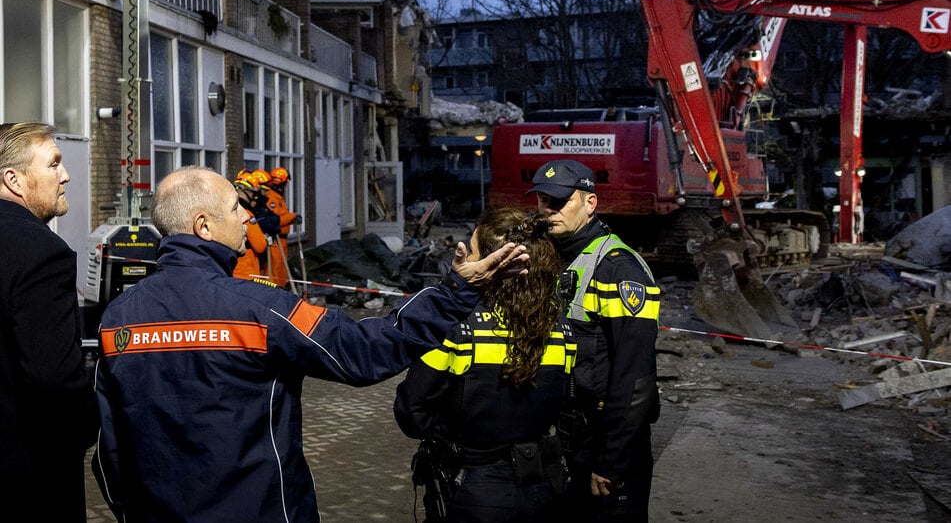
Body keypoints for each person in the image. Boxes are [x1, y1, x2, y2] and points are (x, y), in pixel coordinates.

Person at [93, 166, 529, 523]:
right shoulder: (262, 308)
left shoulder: (117, 319)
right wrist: (453, 294)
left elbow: (108, 448)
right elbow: (364, 351)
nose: (247, 217)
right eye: (234, 209)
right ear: (203, 226)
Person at [394, 206, 576, 523]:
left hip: (476, 489)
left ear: (496, 264)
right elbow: (567, 403)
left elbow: (411, 412)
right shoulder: (562, 331)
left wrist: (451, 434)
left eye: (474, 252)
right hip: (545, 486)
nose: (468, 262)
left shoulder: (458, 331)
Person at [528, 159, 661, 522]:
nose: (548, 210)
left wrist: (611, 460)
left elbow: (635, 377)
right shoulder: (554, 258)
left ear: (590, 203)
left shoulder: (619, 268)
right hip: (563, 438)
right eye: (543, 201)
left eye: (559, 201)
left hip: (606, 441)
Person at [0, 122, 97, 522]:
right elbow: (53, 377)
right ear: (14, 179)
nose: (66, 175)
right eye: (54, 164)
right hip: (28, 474)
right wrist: (91, 424)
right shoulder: (41, 251)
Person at [232, 169, 276, 282]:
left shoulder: (227, 211)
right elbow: (260, 245)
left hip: (231, 269)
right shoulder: (246, 214)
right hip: (246, 271)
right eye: (252, 193)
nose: (254, 197)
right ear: (245, 191)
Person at [262, 166, 297, 289]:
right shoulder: (272, 198)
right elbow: (276, 219)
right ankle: (276, 290)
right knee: (275, 269)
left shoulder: (278, 198)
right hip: (276, 240)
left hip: (282, 240)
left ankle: (281, 289)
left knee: (281, 268)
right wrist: (292, 216)